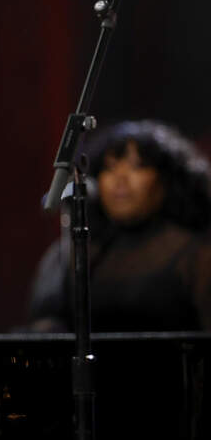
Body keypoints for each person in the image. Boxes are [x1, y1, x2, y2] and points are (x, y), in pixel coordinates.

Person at [28, 120, 211, 332]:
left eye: (137, 165)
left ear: (166, 179)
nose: (120, 178)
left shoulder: (196, 253)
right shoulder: (75, 251)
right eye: (109, 167)